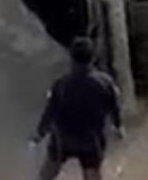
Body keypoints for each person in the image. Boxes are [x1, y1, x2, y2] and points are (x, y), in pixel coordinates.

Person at [30, 37, 124, 180]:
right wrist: (118, 126)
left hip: (63, 140)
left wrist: (39, 134)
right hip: (91, 140)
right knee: (92, 173)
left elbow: (49, 113)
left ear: (71, 59)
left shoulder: (61, 85)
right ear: (93, 58)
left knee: (46, 176)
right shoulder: (105, 83)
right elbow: (114, 107)